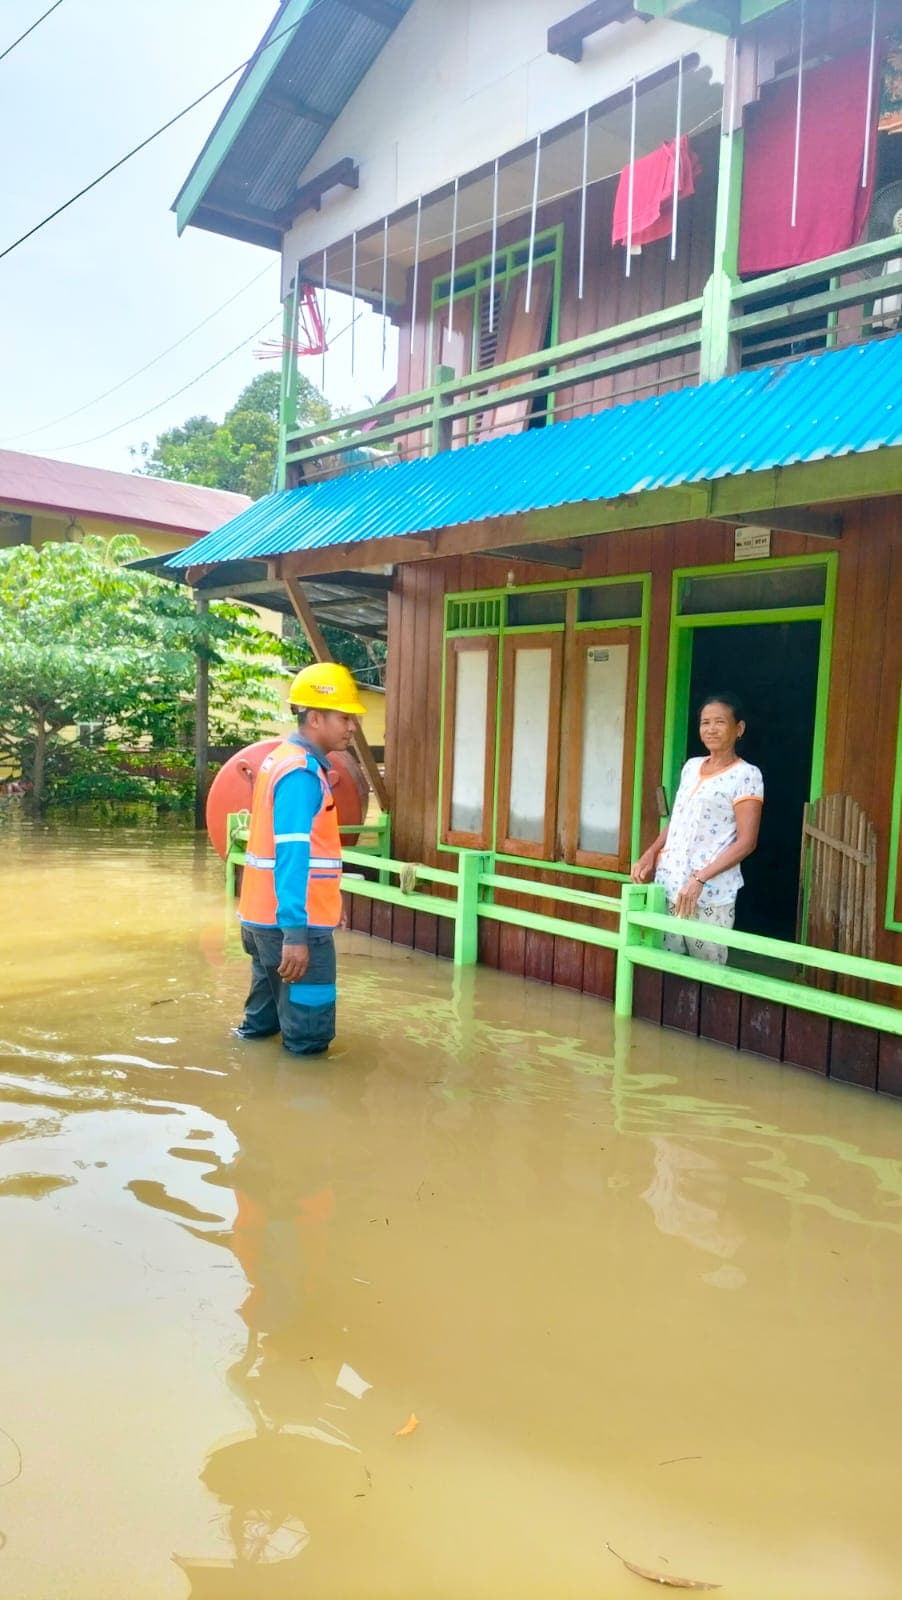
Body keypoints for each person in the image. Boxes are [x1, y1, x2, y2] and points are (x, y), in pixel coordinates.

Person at [234, 662, 366, 1057]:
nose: (352, 727)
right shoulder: (301, 775)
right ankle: (300, 1111)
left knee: (260, 1027)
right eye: (345, 717)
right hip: (289, 927)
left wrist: (328, 907)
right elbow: (292, 854)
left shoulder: (280, 759)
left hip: (262, 919)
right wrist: (296, 935)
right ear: (314, 718)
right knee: (309, 1041)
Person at [630, 692, 763, 965]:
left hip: (710, 893)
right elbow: (678, 821)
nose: (711, 729)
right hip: (670, 885)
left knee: (706, 973)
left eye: (719, 722)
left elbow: (746, 842)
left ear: (739, 729)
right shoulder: (691, 767)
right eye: (705, 722)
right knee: (666, 969)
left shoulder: (746, 775)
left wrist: (700, 879)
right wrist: (650, 853)